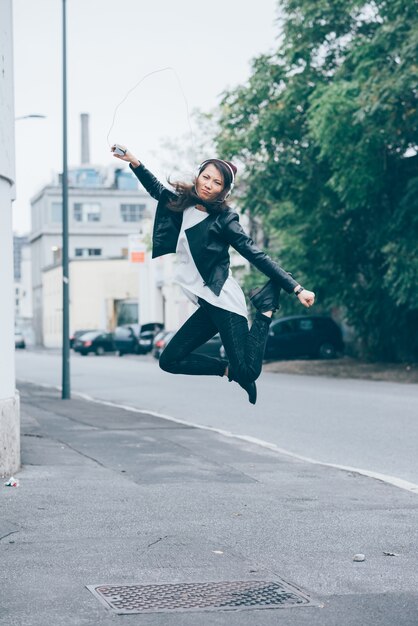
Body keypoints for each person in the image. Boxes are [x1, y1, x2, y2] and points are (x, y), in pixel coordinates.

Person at [111, 145, 315, 404]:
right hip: (207, 304)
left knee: (249, 371)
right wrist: (134, 161)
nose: (208, 185)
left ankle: (266, 307)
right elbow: (156, 189)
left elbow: (255, 253)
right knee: (170, 360)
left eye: (217, 182)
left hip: (224, 301)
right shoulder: (181, 205)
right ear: (198, 176)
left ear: (224, 190)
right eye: (205, 177)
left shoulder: (225, 220)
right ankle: (228, 370)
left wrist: (296, 288)